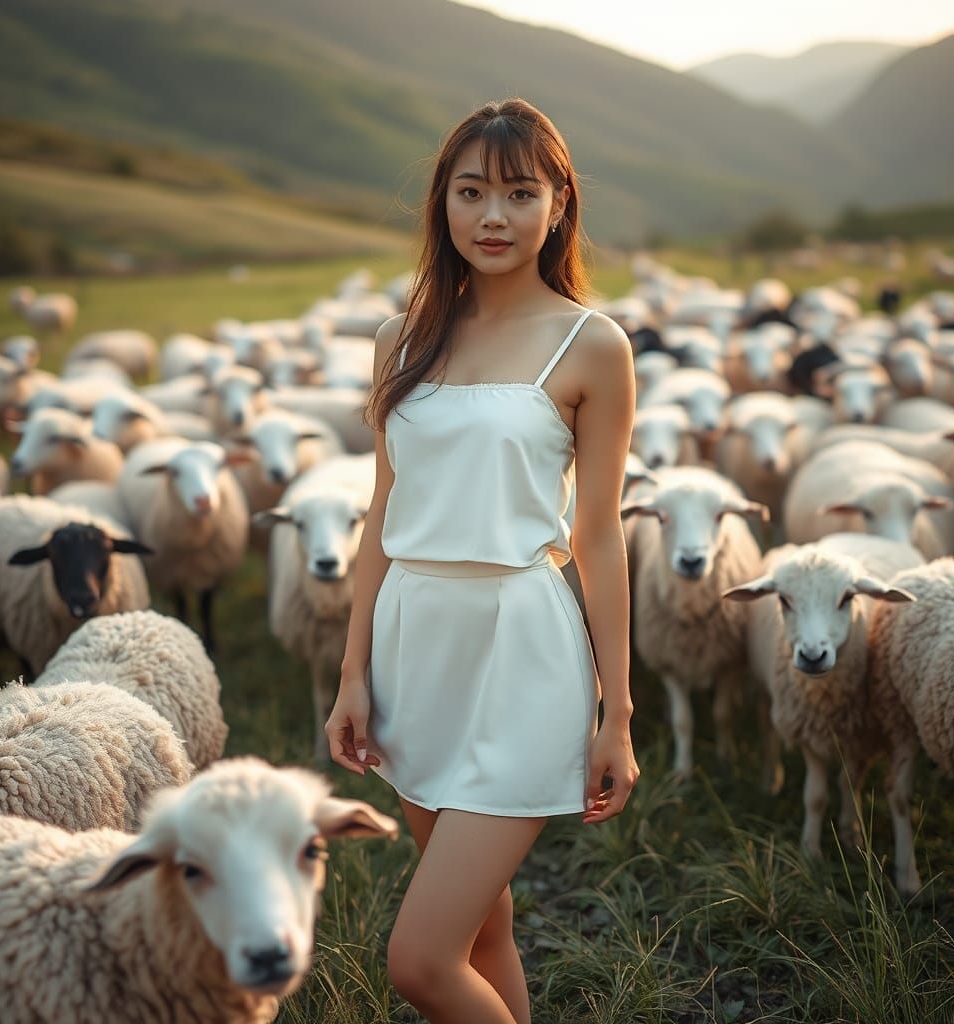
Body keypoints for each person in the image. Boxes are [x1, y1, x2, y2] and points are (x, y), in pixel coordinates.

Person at [325, 98, 639, 1024]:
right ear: (443, 203)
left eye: (517, 192)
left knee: (421, 961)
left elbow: (599, 536)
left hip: (520, 649)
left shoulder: (593, 345)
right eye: (470, 193)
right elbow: (384, 516)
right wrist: (352, 674)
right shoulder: (402, 338)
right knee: (482, 929)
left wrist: (615, 712)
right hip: (413, 644)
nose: (492, 216)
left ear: (558, 203)